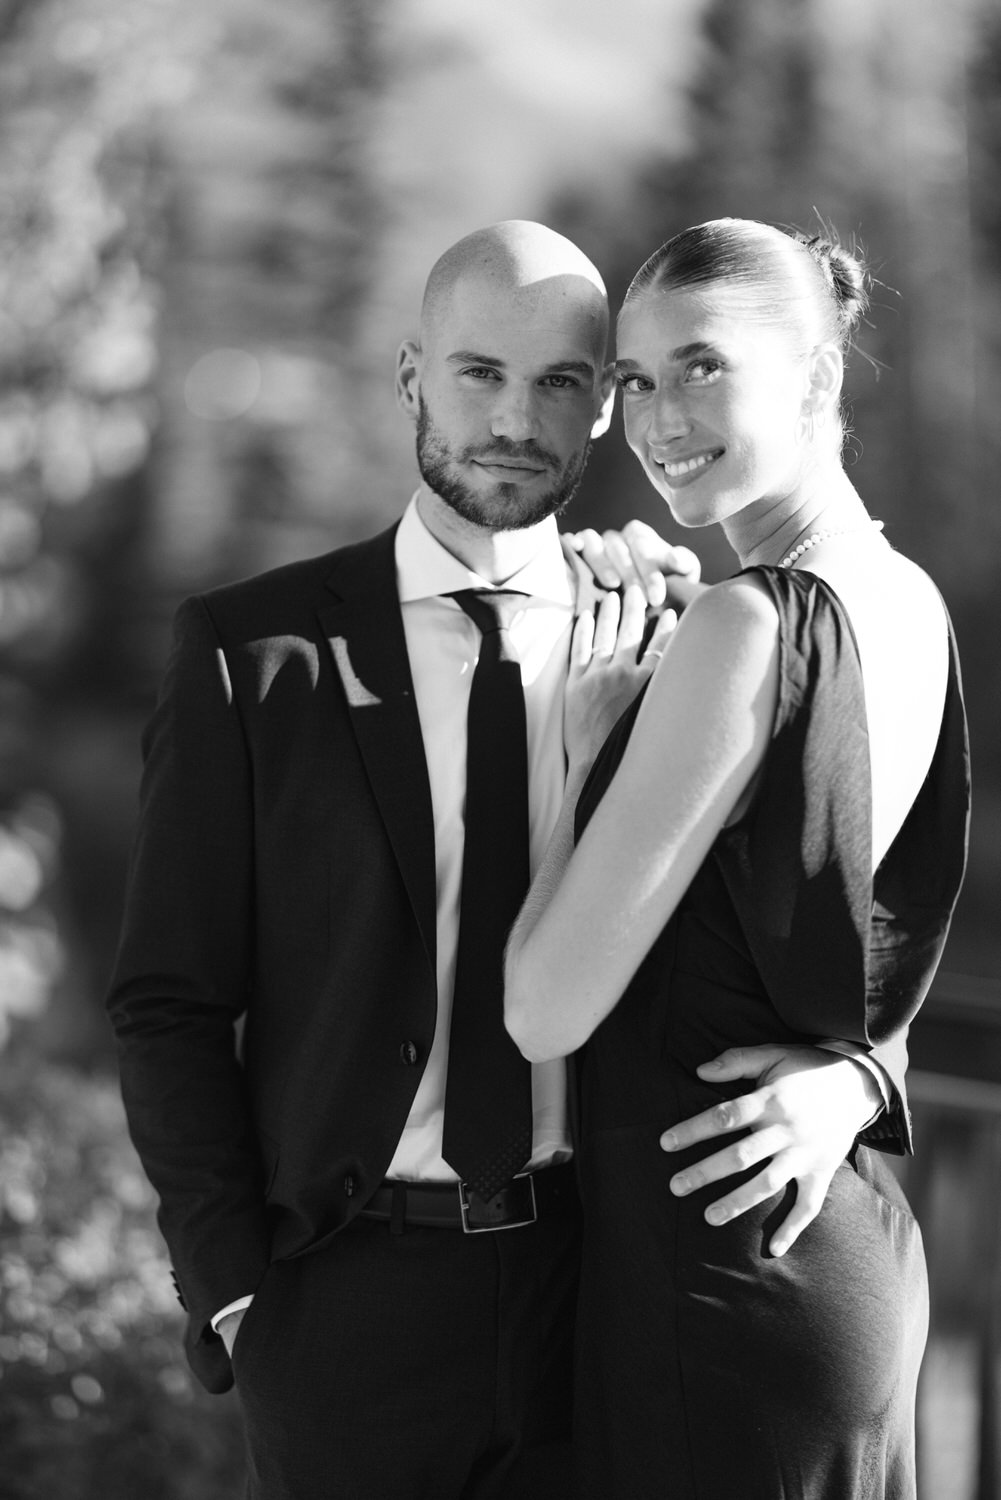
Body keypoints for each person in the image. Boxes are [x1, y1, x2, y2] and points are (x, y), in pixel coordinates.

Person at [107, 219, 907, 1500]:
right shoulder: (252, 657)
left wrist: (857, 1074)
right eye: (478, 371)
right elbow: (168, 1003)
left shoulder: (674, 629)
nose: (511, 418)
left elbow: (824, 912)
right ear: (411, 373)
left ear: (602, 408)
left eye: (562, 382)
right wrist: (238, 1294)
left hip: (599, 1301)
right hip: (343, 1313)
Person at [504, 217, 971, 1499]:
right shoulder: (904, 598)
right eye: (634, 381)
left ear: (818, 377)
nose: (656, 419)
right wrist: (859, 1077)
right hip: (837, 1248)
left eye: (700, 366)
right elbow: (843, 932)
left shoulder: (742, 624)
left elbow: (543, 1008)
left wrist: (583, 753)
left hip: (718, 1281)